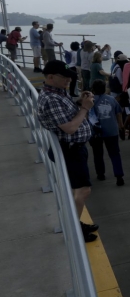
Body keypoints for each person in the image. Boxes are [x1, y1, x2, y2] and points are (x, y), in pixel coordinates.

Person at [36, 60, 99, 243]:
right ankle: (73, 229)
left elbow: (66, 111)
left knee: (76, 190)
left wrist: (79, 102)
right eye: (65, 78)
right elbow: (70, 128)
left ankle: (76, 223)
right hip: (70, 151)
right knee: (83, 191)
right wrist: (85, 108)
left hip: (74, 149)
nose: (69, 81)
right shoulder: (51, 99)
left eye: (70, 77)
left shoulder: (57, 92)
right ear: (50, 77)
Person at [89, 80, 125, 186]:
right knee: (114, 154)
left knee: (98, 153)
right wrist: (121, 127)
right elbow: (119, 114)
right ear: (104, 88)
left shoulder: (90, 101)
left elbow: (87, 116)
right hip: (112, 130)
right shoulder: (112, 99)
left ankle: (100, 174)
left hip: (95, 131)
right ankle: (119, 176)